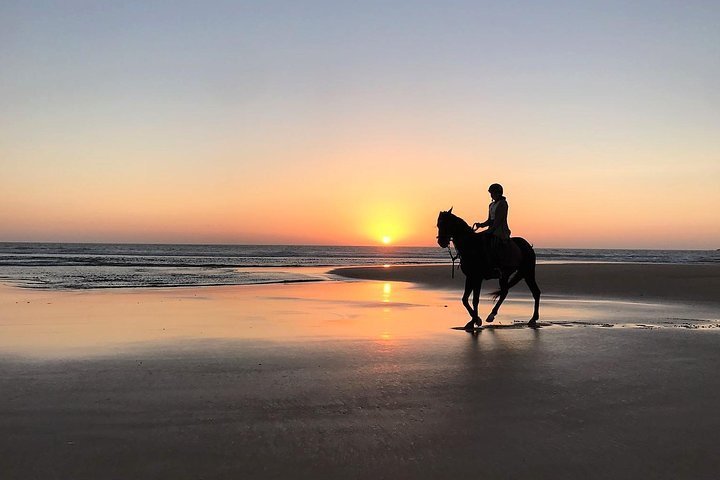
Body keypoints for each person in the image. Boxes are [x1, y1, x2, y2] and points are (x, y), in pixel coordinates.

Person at [473, 183, 511, 269]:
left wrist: (489, 230)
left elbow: (498, 221)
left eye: (493, 193)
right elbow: (490, 220)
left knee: (492, 244)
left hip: (500, 230)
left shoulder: (503, 204)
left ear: (498, 193)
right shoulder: (491, 205)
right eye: (491, 193)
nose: (491, 195)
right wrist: (481, 225)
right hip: (492, 228)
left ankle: (498, 265)